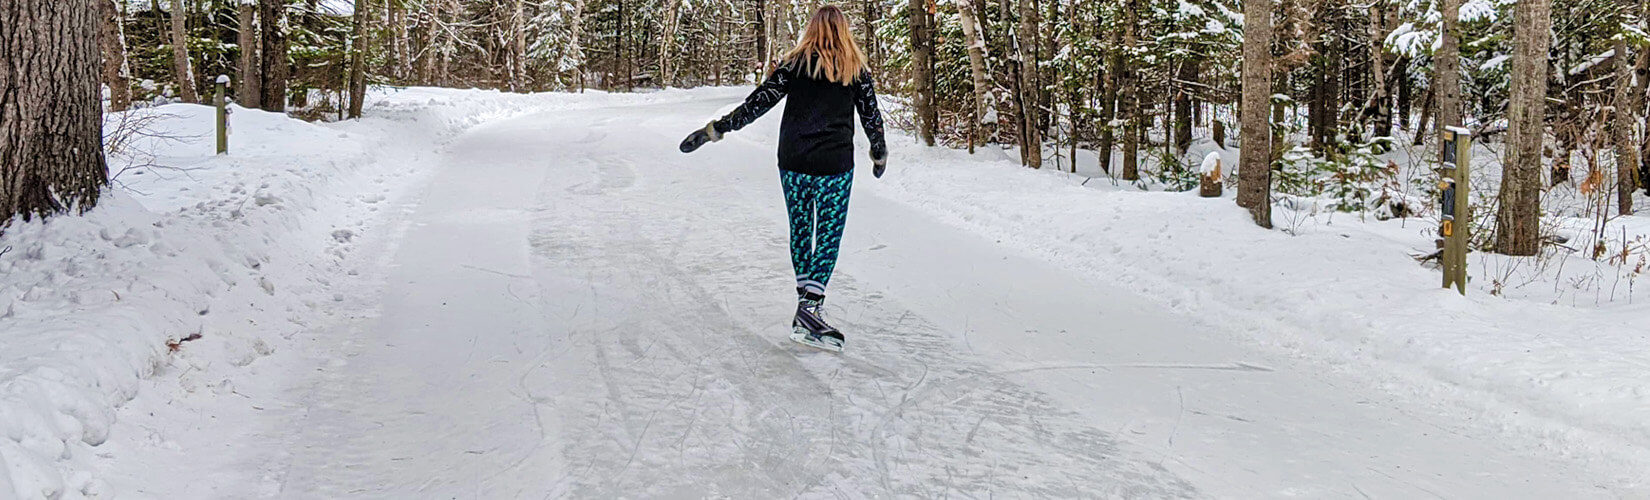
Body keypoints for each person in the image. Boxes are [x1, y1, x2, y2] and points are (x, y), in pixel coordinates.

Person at [678, 5, 887, 352]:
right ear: (844, 31)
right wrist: (878, 153)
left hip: (794, 160)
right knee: (828, 235)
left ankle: (806, 308)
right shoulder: (855, 69)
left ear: (812, 29)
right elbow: (871, 116)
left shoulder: (794, 65)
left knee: (802, 230)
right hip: (834, 165)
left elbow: (757, 102)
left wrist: (716, 129)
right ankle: (810, 307)